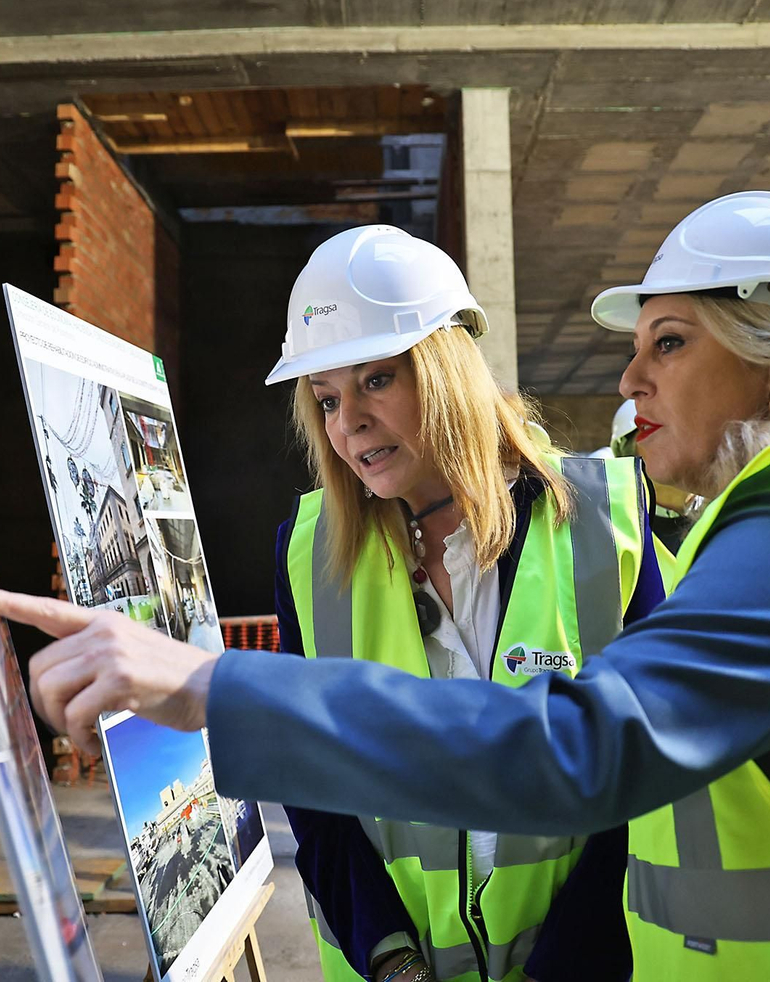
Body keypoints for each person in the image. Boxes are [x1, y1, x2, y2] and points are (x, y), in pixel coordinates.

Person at [0, 192, 770, 980]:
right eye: (326, 397)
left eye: (668, 342)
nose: (629, 378)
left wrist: (213, 685)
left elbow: (579, 752)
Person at [262, 225, 666, 982]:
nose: (348, 422)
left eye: (376, 379)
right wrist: (392, 959)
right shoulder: (308, 555)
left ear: (446, 369)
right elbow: (313, 793)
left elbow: (649, 776)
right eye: (327, 398)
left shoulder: (606, 523)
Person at [606, 397, 697, 554]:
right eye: (652, 431)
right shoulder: (617, 528)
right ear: (629, 451)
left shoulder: (722, 511)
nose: (671, 442)